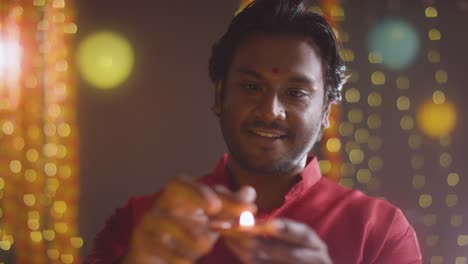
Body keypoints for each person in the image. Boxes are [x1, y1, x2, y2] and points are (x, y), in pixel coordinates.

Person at [85, 0, 422, 263]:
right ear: (220, 96)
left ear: (326, 114)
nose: (269, 110)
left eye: (295, 92)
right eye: (250, 86)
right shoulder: (146, 223)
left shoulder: (378, 231)